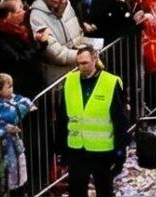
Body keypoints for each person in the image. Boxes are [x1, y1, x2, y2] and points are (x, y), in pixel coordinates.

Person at [60, 43, 128, 197]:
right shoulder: (70, 81)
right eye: (78, 64)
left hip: (102, 150)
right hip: (77, 148)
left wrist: (120, 150)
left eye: (84, 63)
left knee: (104, 190)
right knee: (76, 190)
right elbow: (63, 116)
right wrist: (62, 148)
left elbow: (120, 119)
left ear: (95, 59)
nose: (81, 67)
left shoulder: (110, 82)